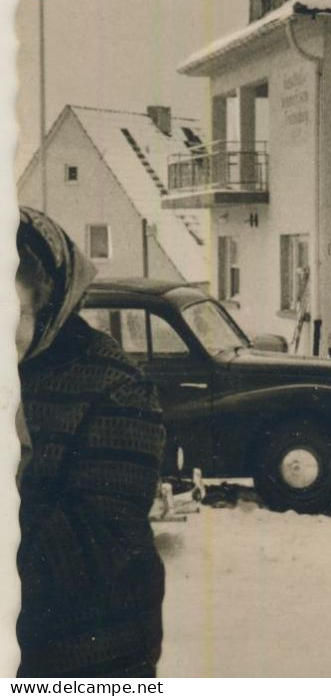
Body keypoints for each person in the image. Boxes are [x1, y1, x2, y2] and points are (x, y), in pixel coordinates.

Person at [16, 207, 167, 677]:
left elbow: (93, 540)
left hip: (91, 656)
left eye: (10, 312)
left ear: (47, 304)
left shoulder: (116, 387)